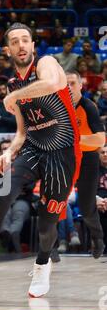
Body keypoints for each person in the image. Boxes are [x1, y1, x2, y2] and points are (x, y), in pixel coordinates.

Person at [0, 22, 82, 297]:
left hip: (64, 151)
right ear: (8, 50)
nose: (21, 45)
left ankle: (43, 264)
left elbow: (52, 83)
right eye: (15, 42)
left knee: (47, 222)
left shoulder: (46, 63)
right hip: (33, 148)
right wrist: (8, 153)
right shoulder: (13, 84)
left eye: (25, 40)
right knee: (3, 194)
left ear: (32, 45)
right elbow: (22, 131)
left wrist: (14, 96)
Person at [57, 72, 105, 259]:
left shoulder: (88, 107)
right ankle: (50, 247)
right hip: (63, 158)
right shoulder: (56, 108)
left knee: (86, 207)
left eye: (72, 83)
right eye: (65, 84)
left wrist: (75, 139)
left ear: (80, 86)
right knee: (55, 201)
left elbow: (100, 140)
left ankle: (97, 237)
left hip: (87, 158)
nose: (68, 87)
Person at [97, 145, 107, 253]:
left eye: (106, 152)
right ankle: (99, 245)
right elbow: (88, 190)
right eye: (102, 152)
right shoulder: (93, 170)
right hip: (97, 202)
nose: (105, 154)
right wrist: (97, 200)